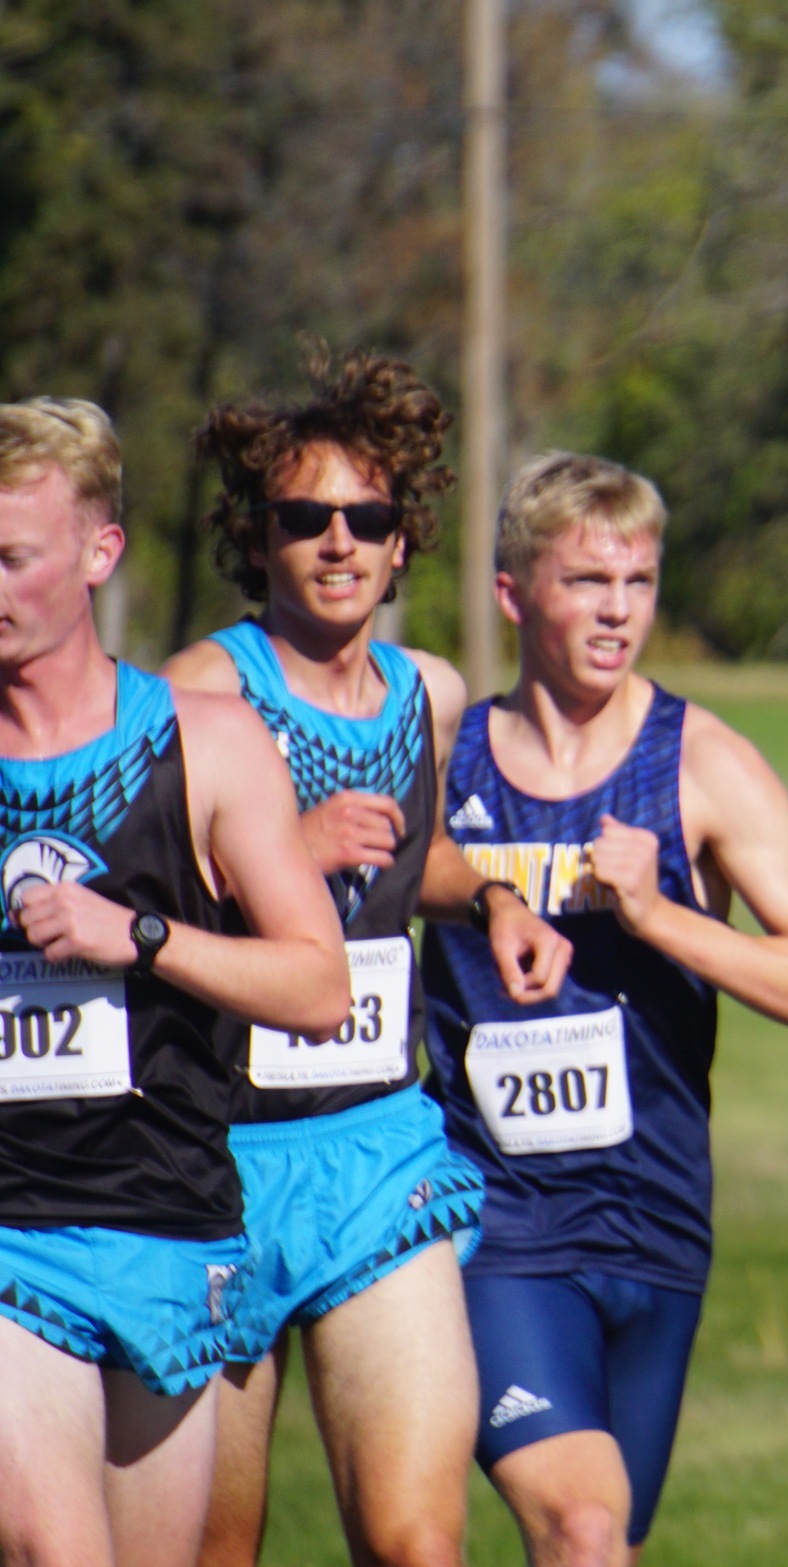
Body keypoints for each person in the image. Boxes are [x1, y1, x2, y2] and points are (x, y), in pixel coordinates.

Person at [161, 350, 574, 1567]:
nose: (338, 542)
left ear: (403, 545)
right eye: (306, 518)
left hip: (378, 1148)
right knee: (210, 1548)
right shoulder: (197, 691)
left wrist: (491, 900)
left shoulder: (424, 693)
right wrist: (283, 847)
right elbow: (135, 901)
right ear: (261, 539)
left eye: (368, 517)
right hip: (215, 1158)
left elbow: (419, 855)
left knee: (414, 1540)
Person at [421, 452, 788, 1565]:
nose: (618, 611)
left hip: (658, 1218)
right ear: (513, 592)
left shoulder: (701, 765)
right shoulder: (445, 761)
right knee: (581, 1524)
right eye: (585, 582)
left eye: (639, 582)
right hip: (499, 1217)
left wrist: (662, 914)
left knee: (604, 1534)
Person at [0, 398, 351, 1567]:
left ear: (98, 554)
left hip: (168, 1221)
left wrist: (139, 936)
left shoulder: (206, 741)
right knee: (55, 1547)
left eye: (11, 556)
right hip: (12, 1229)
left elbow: (316, 986)